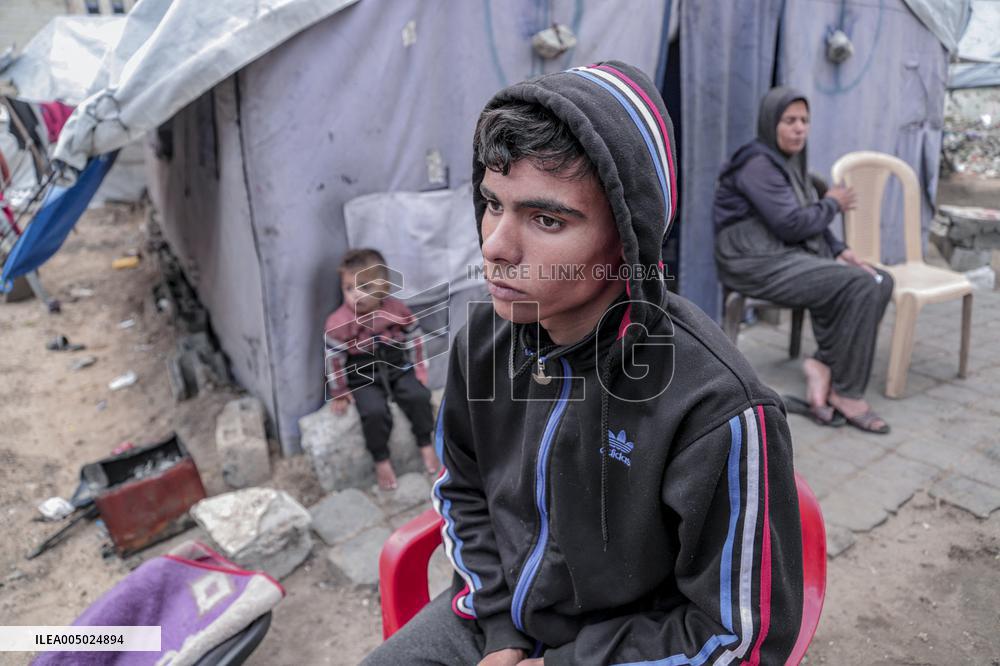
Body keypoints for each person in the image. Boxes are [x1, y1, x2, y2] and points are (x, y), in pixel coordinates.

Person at [364, 61, 802, 665]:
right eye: (493, 204)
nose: (494, 246)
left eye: (546, 219)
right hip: (496, 619)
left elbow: (740, 636)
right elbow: (464, 489)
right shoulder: (483, 342)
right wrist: (500, 634)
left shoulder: (715, 408)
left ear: (628, 235)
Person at [714, 87, 894, 434]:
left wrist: (840, 250)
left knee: (878, 279)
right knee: (858, 283)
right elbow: (792, 223)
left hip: (783, 254)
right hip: (753, 260)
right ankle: (846, 393)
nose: (799, 128)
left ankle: (823, 365)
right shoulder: (757, 164)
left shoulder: (792, 166)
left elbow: (806, 212)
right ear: (771, 123)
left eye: (805, 121)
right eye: (790, 120)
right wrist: (834, 204)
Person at [324, 248, 440, 490]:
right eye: (348, 288)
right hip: (362, 373)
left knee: (418, 396)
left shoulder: (396, 310)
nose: (355, 295)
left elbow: (415, 337)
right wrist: (340, 391)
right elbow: (333, 360)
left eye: (365, 287)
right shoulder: (338, 322)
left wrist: (419, 367)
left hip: (396, 364)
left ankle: (425, 442)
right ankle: (381, 459)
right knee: (374, 411)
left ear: (384, 288)